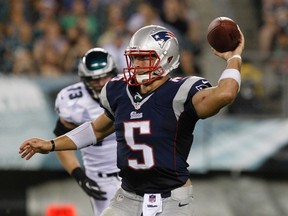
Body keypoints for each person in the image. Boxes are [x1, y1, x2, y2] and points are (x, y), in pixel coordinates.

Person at [19, 24, 245, 216]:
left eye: (143, 59)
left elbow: (225, 94)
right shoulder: (118, 90)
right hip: (127, 197)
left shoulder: (183, 91)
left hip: (172, 200)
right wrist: (50, 145)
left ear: (167, 59)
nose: (136, 65)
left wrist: (233, 57)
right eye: (134, 58)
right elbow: (96, 131)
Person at [53, 47, 121, 216]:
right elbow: (63, 140)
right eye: (94, 79)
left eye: (105, 76)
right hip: (101, 178)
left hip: (138, 172)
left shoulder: (129, 89)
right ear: (84, 79)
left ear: (114, 72)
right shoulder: (72, 101)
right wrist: (79, 176)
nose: (101, 83)